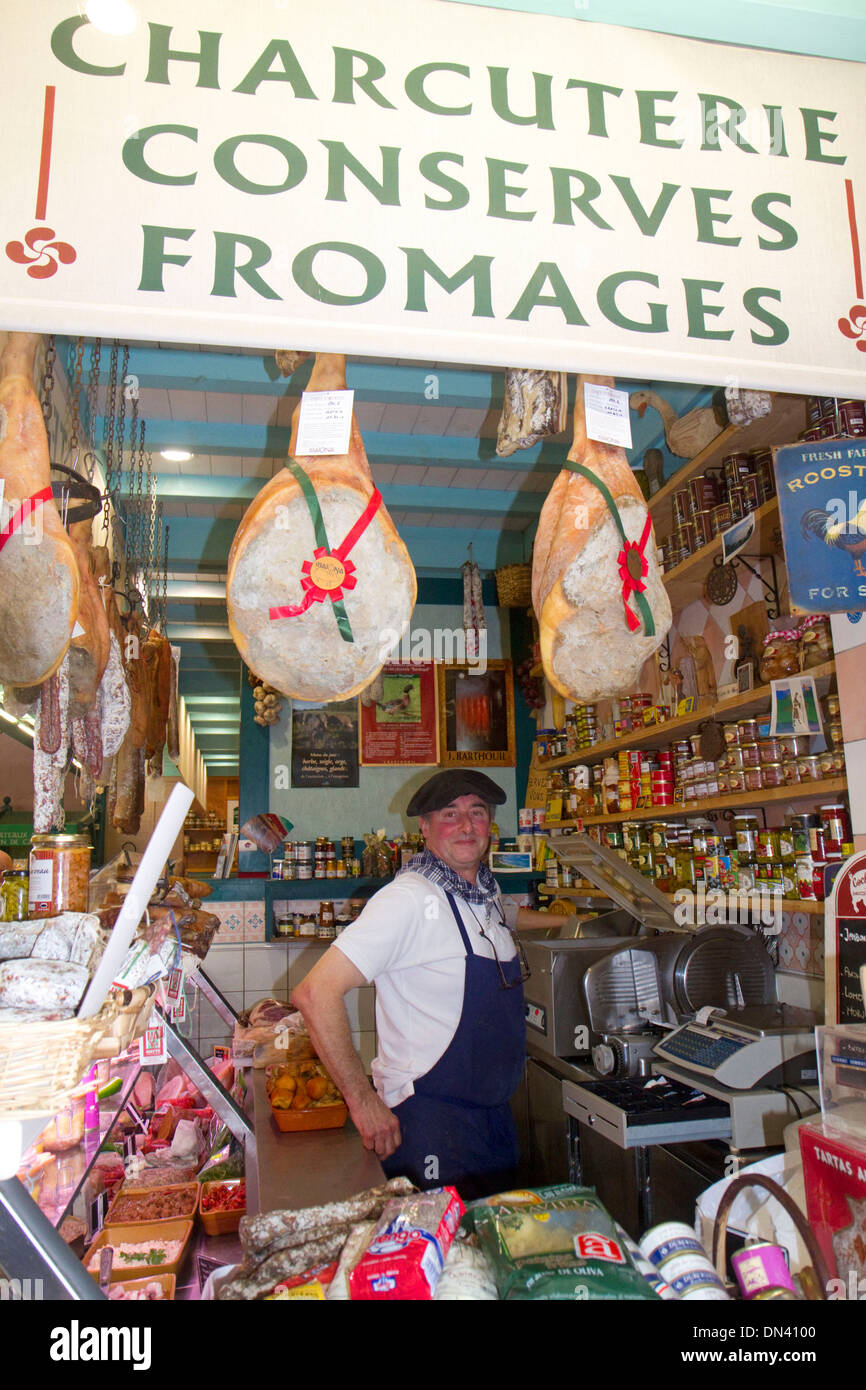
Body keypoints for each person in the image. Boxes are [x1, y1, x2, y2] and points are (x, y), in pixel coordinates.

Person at [290, 768, 571, 1199]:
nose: (465, 825)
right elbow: (314, 992)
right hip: (432, 1125)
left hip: (494, 1120)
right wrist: (362, 1102)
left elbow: (506, 916)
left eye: (477, 812)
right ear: (424, 827)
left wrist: (575, 924)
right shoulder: (408, 900)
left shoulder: (481, 891)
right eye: (449, 813)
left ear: (489, 824)